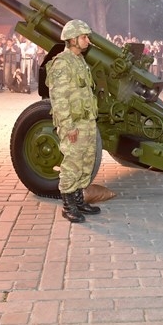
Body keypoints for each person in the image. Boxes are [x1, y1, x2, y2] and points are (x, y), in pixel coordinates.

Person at [45, 19, 102, 223]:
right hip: (74, 124)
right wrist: (68, 126)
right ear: (72, 39)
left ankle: (78, 201)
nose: (87, 40)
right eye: (84, 37)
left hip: (86, 122)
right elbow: (59, 99)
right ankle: (68, 206)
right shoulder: (62, 63)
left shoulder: (79, 60)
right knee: (72, 164)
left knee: (86, 162)